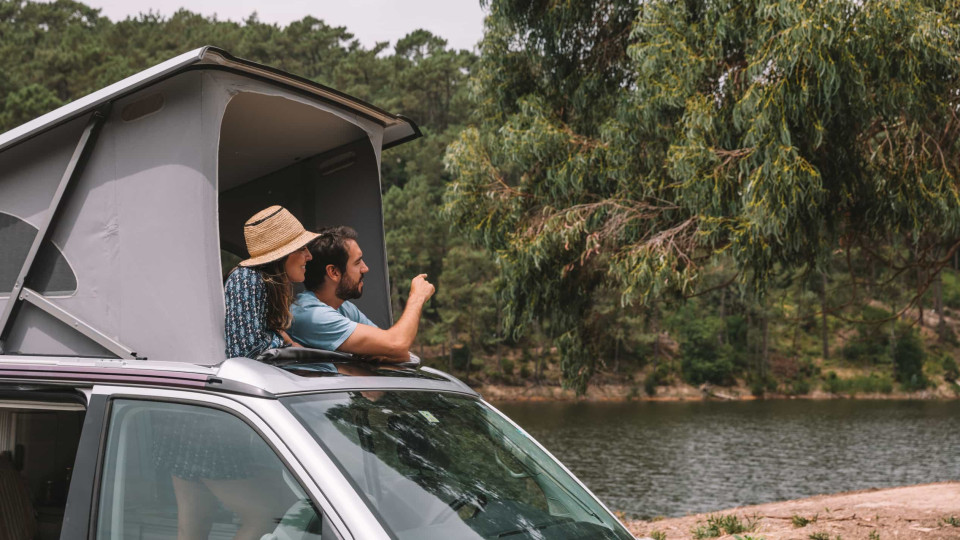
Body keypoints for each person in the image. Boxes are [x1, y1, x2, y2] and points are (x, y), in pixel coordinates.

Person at [289, 225, 435, 361]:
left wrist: (385, 350)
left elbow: (397, 353)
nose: (365, 268)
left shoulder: (343, 307)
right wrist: (417, 297)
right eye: (357, 262)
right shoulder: (311, 315)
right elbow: (397, 344)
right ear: (333, 272)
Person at [224, 205, 319, 358]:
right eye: (302, 248)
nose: (309, 256)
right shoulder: (247, 278)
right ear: (282, 255)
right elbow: (246, 351)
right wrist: (283, 340)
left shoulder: (261, 282)